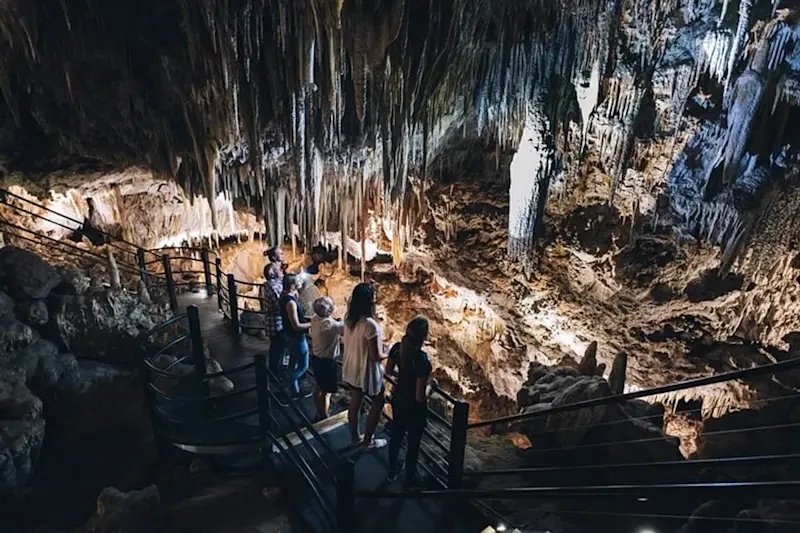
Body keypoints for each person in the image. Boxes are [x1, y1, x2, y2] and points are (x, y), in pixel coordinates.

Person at [386, 316, 432, 487]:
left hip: (398, 399)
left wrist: (404, 378)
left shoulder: (397, 349)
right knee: (413, 444)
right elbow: (420, 396)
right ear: (424, 337)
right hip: (414, 408)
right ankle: (409, 479)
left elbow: (389, 371)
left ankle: (391, 471)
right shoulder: (422, 360)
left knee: (397, 436)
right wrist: (431, 388)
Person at [341, 283, 387, 450]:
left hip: (351, 367)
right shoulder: (369, 325)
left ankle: (355, 438)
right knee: (378, 401)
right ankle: (367, 441)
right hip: (365, 371)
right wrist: (388, 353)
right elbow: (376, 356)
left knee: (355, 401)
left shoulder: (348, 318)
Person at [309, 296, 344, 421]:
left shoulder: (315, 318)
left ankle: (318, 411)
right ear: (329, 311)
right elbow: (344, 328)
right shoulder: (329, 324)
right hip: (327, 362)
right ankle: (324, 415)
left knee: (319, 385)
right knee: (326, 391)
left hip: (316, 358)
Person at [280, 274, 311, 399]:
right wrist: (312, 324)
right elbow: (296, 325)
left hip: (289, 335)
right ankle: (283, 388)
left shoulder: (286, 297)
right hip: (296, 337)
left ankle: (294, 392)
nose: (300, 281)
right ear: (292, 286)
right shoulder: (290, 303)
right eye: (298, 281)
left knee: (292, 364)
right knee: (304, 366)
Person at [259, 263, 285, 379]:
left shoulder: (268, 285)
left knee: (276, 347)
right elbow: (280, 305)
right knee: (277, 348)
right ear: (273, 274)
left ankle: (275, 370)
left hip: (271, 322)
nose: (282, 270)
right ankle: (275, 373)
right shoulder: (274, 287)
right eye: (279, 270)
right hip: (277, 322)